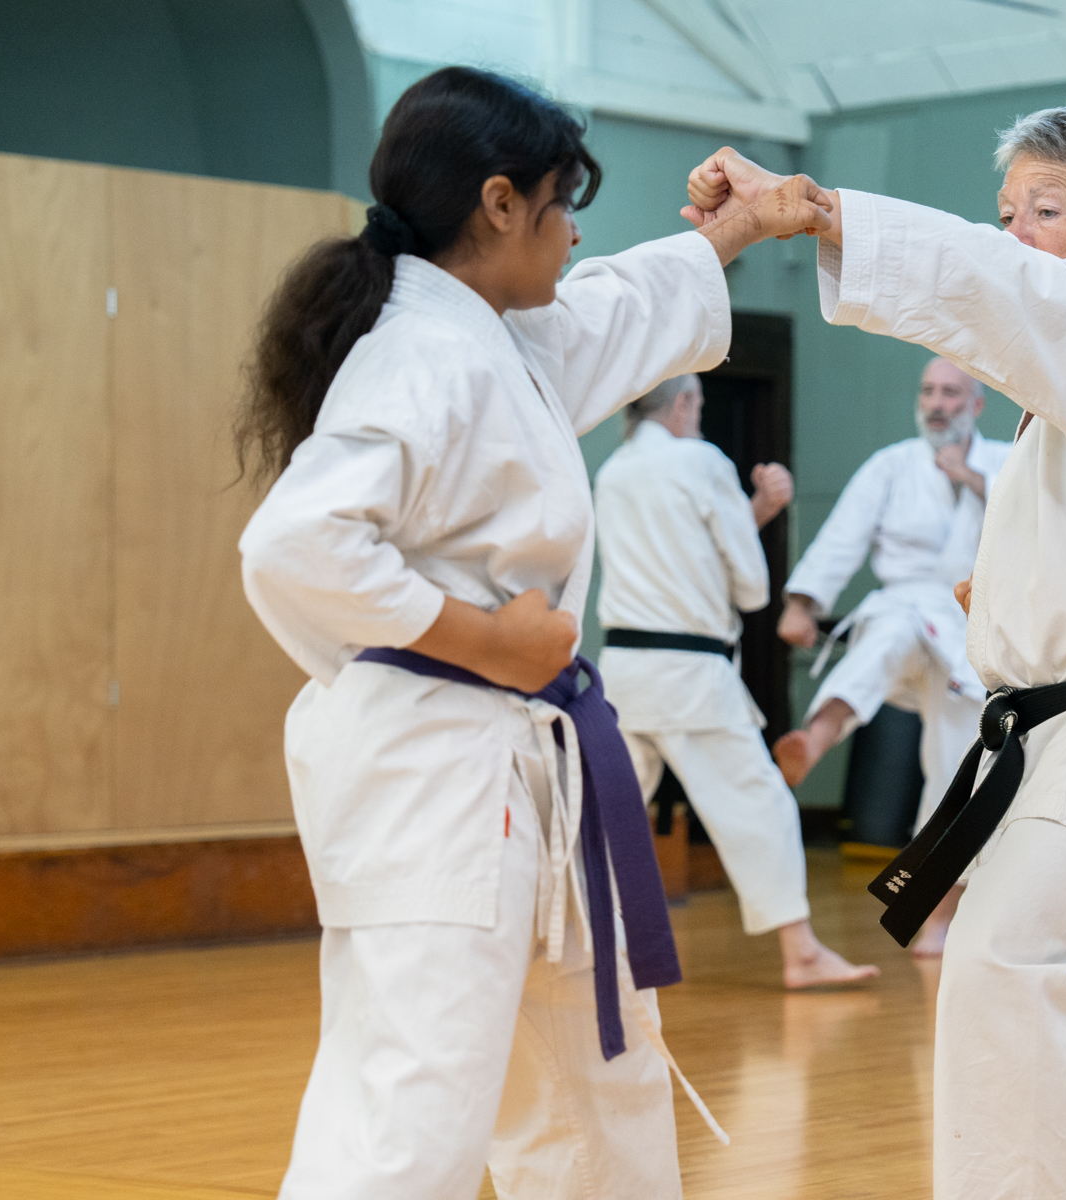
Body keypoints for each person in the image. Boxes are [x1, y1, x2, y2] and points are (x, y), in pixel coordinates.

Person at [235, 67, 830, 1200]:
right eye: (563, 203)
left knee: (595, 1076)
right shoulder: (422, 354)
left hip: (520, 766)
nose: (573, 233)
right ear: (500, 203)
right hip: (438, 770)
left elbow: (619, 306)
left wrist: (740, 228)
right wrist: (484, 642)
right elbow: (294, 545)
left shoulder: (505, 336)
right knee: (417, 1102)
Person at [684, 99, 1066, 1200]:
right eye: (1006, 212)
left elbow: (991, 291)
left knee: (1005, 975)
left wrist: (809, 209)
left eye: (1048, 209)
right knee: (1065, 993)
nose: (1017, 234)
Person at [593, 374, 879, 989]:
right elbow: (749, 586)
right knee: (760, 804)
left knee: (606, 812)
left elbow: (682, 559)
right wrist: (760, 515)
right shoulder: (701, 460)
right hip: (690, 677)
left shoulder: (613, 471)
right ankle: (800, 952)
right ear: (684, 404)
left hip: (623, 673)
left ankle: (570, 942)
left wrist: (755, 510)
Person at [770, 356, 1012, 956]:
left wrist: (970, 479)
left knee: (958, 768)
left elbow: (1042, 530)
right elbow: (842, 536)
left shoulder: (1007, 464)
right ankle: (816, 737)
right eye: (928, 390)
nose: (937, 403)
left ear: (977, 405)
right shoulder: (890, 466)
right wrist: (803, 602)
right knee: (882, 641)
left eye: (952, 393)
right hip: (902, 606)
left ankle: (936, 919)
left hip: (968, 633)